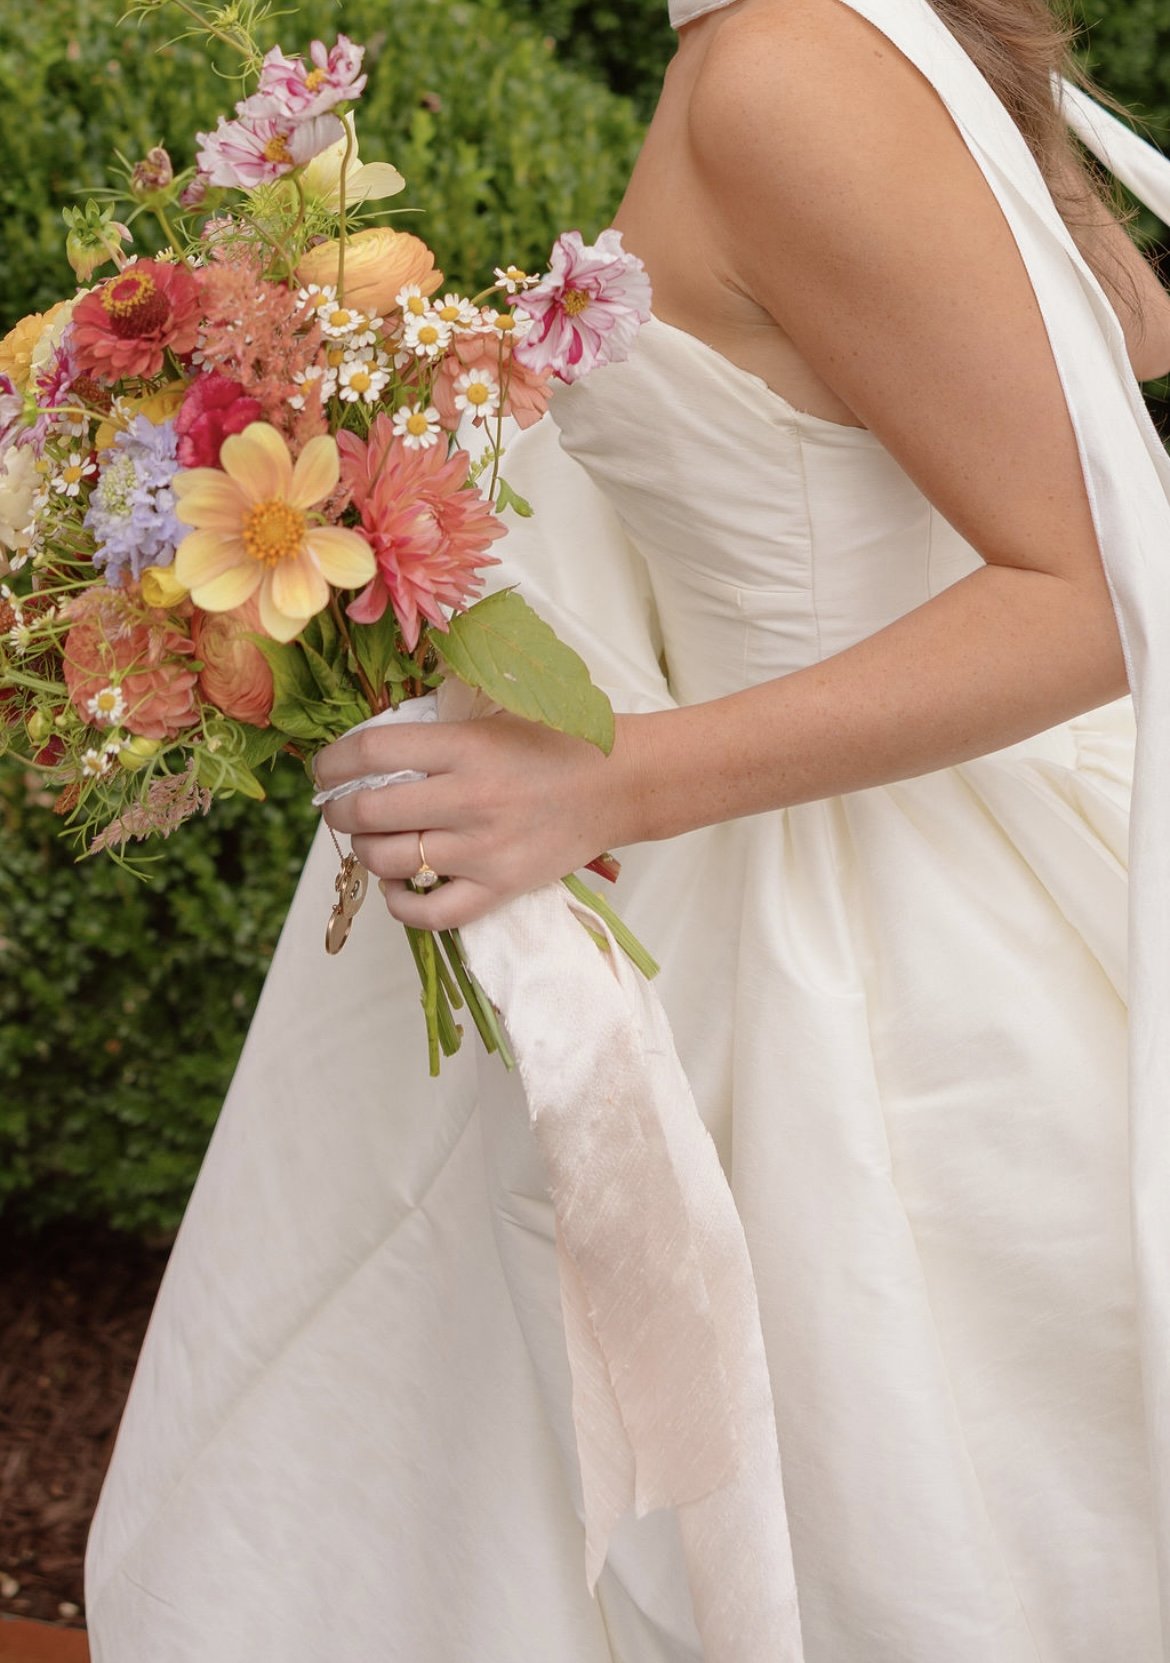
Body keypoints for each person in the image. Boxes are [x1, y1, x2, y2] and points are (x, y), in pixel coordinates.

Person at [85, 0, 1170, 1658]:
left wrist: (604, 783)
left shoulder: (785, 64)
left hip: (865, 934)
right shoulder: (847, 37)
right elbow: (1121, 332)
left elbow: (1099, 596)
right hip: (872, 826)